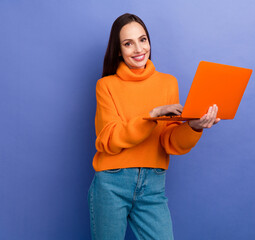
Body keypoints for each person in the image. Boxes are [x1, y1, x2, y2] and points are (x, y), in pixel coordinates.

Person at [88, 13, 220, 240]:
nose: (138, 49)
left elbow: (169, 142)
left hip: (153, 184)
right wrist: (152, 115)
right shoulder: (106, 85)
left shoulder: (168, 83)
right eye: (128, 43)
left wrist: (194, 126)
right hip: (111, 183)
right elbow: (108, 138)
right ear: (118, 50)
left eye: (143, 40)